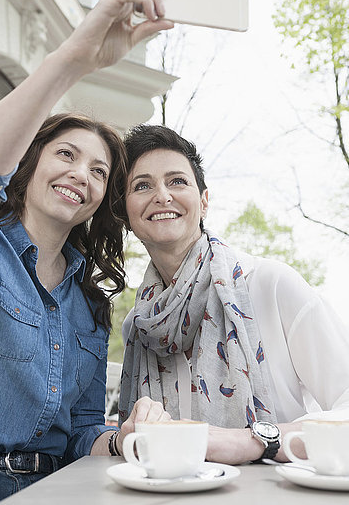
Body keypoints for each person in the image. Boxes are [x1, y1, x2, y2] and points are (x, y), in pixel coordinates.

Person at [0, 0, 175, 505]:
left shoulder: (89, 304)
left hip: (60, 491)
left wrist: (125, 439)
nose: (82, 174)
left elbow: (79, 434)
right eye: (67, 155)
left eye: (100, 171)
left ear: (102, 200)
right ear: (28, 166)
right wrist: (75, 59)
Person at [118, 124, 349, 465]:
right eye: (142, 186)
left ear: (204, 201)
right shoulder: (137, 327)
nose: (162, 195)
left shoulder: (271, 285)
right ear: (125, 214)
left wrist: (255, 441)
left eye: (177, 181)